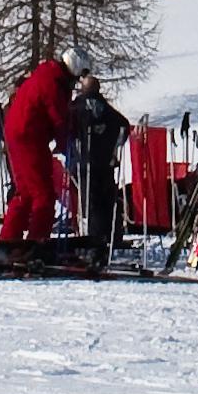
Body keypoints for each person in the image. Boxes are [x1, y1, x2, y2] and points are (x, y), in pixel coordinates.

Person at [0, 53, 76, 247]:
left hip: (20, 133)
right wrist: (66, 142)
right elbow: (58, 116)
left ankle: (8, 240)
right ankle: (37, 241)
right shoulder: (53, 83)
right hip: (30, 136)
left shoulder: (46, 74)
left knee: (25, 192)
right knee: (43, 193)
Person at [72, 70, 131, 264]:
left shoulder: (77, 107)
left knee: (92, 203)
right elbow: (124, 125)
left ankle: (95, 241)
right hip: (105, 163)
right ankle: (112, 235)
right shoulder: (105, 108)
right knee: (108, 200)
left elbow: (66, 126)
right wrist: (114, 145)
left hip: (86, 162)